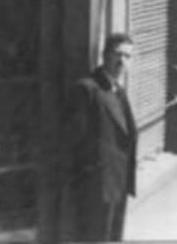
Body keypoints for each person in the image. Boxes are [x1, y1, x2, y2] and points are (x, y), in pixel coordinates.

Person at [63, 32, 138, 242]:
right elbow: (75, 141)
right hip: (98, 185)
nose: (122, 61)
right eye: (117, 54)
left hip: (119, 181)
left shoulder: (118, 90)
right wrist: (92, 178)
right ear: (104, 55)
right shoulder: (87, 89)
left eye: (127, 56)